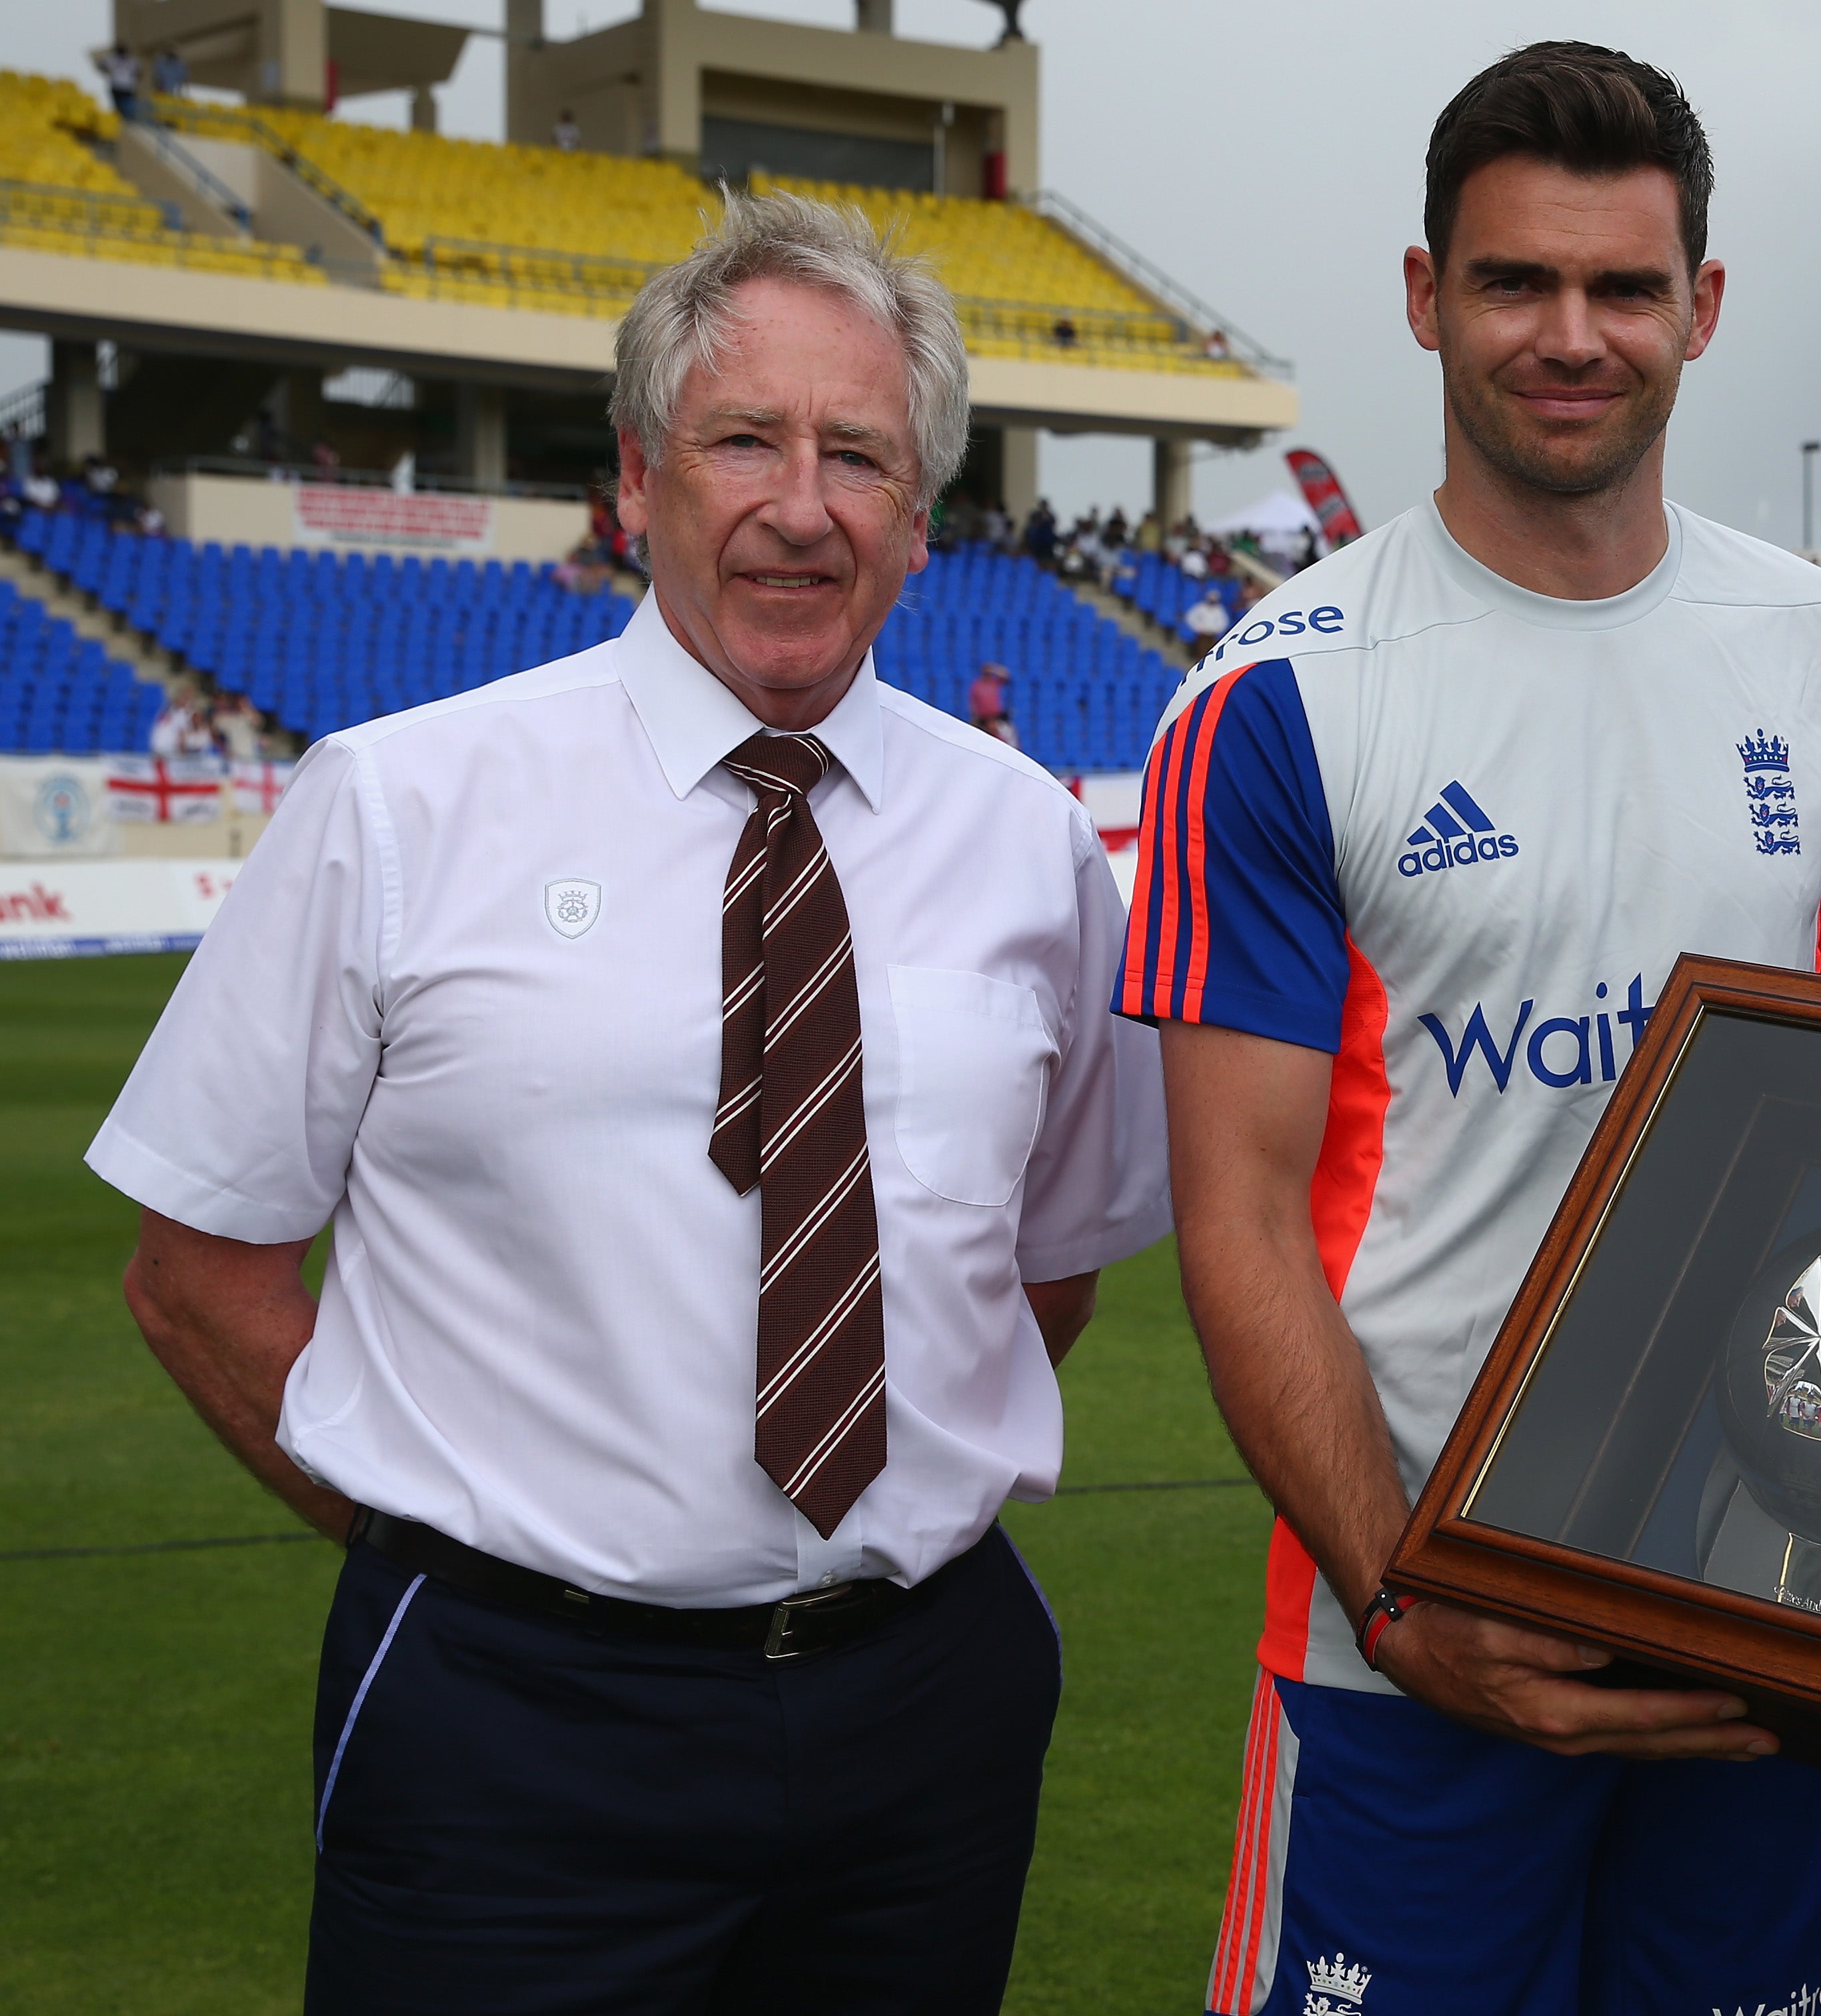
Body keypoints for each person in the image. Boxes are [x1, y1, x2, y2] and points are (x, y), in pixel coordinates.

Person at [89, 189, 1168, 2012]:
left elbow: (1043, 1273)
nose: (801, 503)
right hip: (511, 1729)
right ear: (639, 474)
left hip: (926, 1711)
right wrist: (470, 1546)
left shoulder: (1034, 847)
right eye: (745, 438)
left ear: (920, 519)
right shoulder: (399, 804)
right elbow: (195, 1273)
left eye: (860, 456)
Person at [1124, 45, 1821, 2016]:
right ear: (1425, 297)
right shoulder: (1276, 703)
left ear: (1704, 310)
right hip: (1409, 1653)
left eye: (1623, 289)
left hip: (1763, 1633)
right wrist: (1407, 1604)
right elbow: (1234, 1220)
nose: (1570, 338)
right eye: (1514, 284)